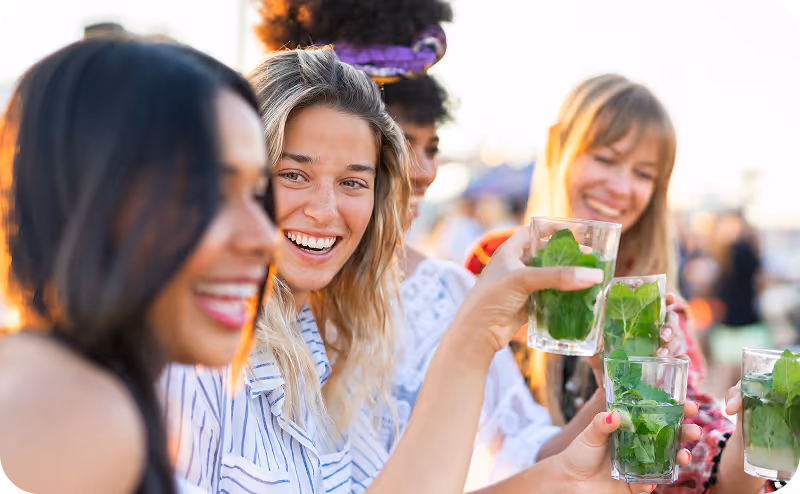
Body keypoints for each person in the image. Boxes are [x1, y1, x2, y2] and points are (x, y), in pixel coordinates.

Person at [163, 47, 700, 494]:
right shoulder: (180, 350)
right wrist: (476, 333)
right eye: (293, 174)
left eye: (353, 182)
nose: (326, 209)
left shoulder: (317, 341)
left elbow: (515, 451)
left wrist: (574, 467)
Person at [254, 0, 559, 486]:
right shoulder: (248, 325)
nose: (423, 170)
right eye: (296, 173)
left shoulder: (442, 293)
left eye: (431, 148)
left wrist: (616, 397)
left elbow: (523, 445)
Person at [464, 74, 773, 493]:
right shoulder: (493, 264)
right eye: (605, 159)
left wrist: (764, 425)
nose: (621, 188)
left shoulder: (653, 306)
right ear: (560, 149)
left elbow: (709, 472)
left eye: (644, 174)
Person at [0, 38, 279, 494]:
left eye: (257, 194)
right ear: (85, 199)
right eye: (205, 196)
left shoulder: (69, 387)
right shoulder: (74, 411)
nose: (265, 238)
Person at [708, 210, 770, 393]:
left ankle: (720, 421)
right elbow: (761, 282)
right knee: (752, 389)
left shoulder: (719, 252)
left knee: (723, 389)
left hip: (727, 326)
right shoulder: (746, 249)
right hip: (748, 324)